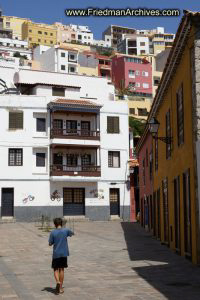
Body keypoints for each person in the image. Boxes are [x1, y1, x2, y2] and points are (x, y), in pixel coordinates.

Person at [49, 217, 74, 294]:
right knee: (62, 269)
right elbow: (72, 233)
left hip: (56, 254)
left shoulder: (53, 232)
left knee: (55, 269)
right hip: (64, 253)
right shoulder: (65, 230)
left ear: (55, 224)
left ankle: (57, 281)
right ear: (61, 223)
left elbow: (50, 243)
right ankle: (60, 288)